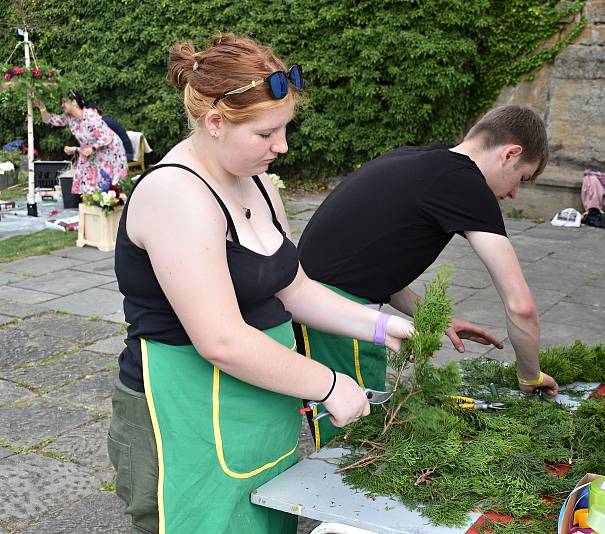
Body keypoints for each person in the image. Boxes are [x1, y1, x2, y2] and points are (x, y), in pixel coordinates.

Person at [108, 33, 414, 534]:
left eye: (285, 128)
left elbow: (295, 288)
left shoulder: (255, 181)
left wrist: (383, 326)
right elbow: (221, 339)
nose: (282, 146)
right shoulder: (175, 195)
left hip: (259, 399)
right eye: (267, 133)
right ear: (214, 122)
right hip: (182, 415)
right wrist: (329, 383)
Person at [296, 104, 560, 448]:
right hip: (333, 312)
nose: (513, 193)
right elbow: (520, 305)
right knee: (352, 441)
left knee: (357, 423)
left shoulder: (422, 159)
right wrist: (530, 376)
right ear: (510, 154)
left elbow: (366, 261)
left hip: (319, 299)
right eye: (521, 179)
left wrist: (435, 317)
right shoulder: (466, 184)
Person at [35, 91, 128, 193]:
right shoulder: (69, 118)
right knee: (86, 177)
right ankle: (92, 201)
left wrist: (92, 148)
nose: (62, 105)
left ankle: (108, 201)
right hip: (91, 150)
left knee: (107, 180)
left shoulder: (90, 116)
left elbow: (106, 137)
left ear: (74, 102)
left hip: (109, 149)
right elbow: (48, 119)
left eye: (64, 102)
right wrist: (42, 108)